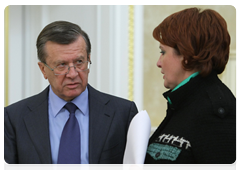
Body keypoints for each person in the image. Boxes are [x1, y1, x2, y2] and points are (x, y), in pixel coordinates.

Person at [4, 20, 138, 170]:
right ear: (43, 69)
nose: (73, 74)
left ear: (89, 59)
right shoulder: (14, 118)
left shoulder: (123, 113)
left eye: (80, 62)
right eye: (61, 65)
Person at [129, 7, 237, 170]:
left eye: (163, 52)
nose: (159, 62)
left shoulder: (217, 113)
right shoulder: (183, 102)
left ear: (186, 55)